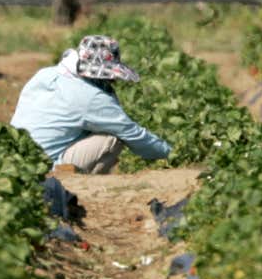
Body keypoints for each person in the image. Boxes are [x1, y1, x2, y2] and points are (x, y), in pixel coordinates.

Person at [10, 34, 172, 174]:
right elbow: (133, 134)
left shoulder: (45, 74)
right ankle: (71, 183)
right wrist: (173, 153)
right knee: (110, 139)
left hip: (15, 156)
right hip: (44, 167)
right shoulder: (92, 97)